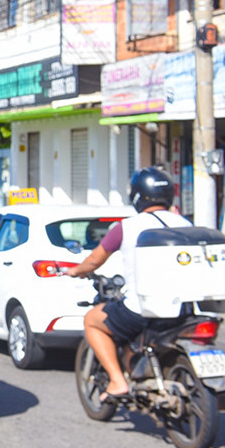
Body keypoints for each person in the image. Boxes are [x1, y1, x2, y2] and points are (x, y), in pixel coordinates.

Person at [68, 167, 191, 400]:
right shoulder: (185, 224)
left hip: (143, 308)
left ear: (137, 195)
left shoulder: (127, 227)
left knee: (92, 320)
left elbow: (95, 260)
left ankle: (117, 380)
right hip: (184, 307)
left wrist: (75, 270)